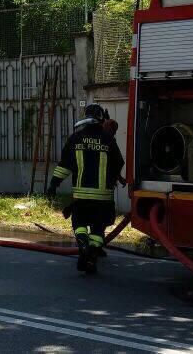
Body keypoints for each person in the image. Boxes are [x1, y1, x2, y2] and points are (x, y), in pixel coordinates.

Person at [45, 103, 124, 274]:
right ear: (101, 118)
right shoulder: (108, 139)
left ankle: (84, 249)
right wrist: (111, 179)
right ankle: (91, 256)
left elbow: (65, 165)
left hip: (81, 196)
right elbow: (119, 163)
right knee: (98, 228)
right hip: (103, 197)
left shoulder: (76, 138)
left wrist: (53, 184)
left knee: (79, 224)